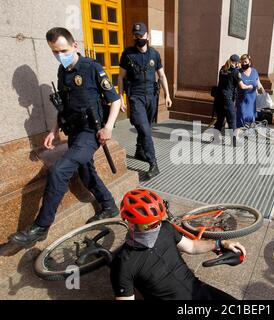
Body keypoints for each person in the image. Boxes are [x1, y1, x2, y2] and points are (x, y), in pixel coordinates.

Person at [9, 28, 121, 247]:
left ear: (75, 46)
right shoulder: (62, 73)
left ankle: (41, 227)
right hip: (75, 132)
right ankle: (108, 205)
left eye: (64, 50)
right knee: (86, 171)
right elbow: (63, 108)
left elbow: (115, 100)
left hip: (91, 132)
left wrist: (108, 128)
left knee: (60, 169)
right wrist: (53, 131)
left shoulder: (92, 68)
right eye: (55, 52)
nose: (60, 55)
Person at [110, 189, 246, 300]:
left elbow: (192, 246)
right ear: (130, 223)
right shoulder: (123, 264)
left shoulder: (166, 228)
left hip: (197, 289)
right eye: (149, 225)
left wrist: (220, 243)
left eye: (158, 221)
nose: (156, 228)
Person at [118, 22, 172, 179]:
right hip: (136, 97)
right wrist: (121, 98)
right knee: (145, 130)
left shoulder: (154, 54)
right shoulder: (127, 54)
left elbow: (161, 75)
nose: (138, 38)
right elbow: (120, 77)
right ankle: (153, 163)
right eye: (135, 36)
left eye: (140, 35)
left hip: (151, 97)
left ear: (147, 36)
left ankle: (139, 150)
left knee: (146, 127)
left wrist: (167, 95)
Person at [213, 54, 252, 134]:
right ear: (237, 63)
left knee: (220, 120)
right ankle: (233, 142)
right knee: (232, 121)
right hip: (227, 99)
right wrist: (249, 86)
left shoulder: (223, 69)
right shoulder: (235, 72)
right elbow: (242, 86)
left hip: (218, 98)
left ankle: (215, 139)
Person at [235, 54, 263, 129]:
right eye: (242, 62)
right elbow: (241, 85)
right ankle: (236, 135)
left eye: (245, 62)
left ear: (249, 62)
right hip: (242, 99)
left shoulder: (254, 71)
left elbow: (258, 82)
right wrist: (249, 86)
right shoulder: (238, 72)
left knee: (251, 117)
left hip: (252, 99)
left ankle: (247, 133)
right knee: (241, 117)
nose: (244, 64)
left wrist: (262, 90)